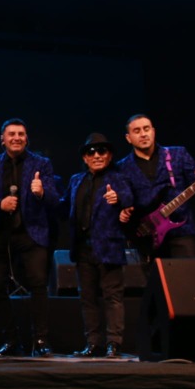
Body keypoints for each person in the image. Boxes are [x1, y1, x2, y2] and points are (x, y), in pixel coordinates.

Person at [0, 118, 59, 358]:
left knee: (38, 284)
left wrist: (41, 192)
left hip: (31, 233)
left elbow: (55, 200)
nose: (16, 138)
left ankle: (40, 340)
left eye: (21, 134)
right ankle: (11, 341)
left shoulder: (41, 164)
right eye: (12, 134)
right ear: (2, 139)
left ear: (27, 138)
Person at [59, 133, 133, 359]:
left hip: (109, 247)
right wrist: (42, 195)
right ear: (85, 157)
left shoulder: (118, 178)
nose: (97, 155)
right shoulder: (76, 180)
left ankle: (114, 343)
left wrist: (118, 199)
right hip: (83, 249)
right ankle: (93, 344)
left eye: (102, 151)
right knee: (87, 298)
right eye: (91, 152)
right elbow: (63, 207)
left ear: (109, 155)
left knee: (112, 297)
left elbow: (130, 198)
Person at [117, 114, 195, 262]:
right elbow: (123, 204)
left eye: (146, 129)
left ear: (153, 131)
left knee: (189, 276)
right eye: (137, 131)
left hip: (181, 234)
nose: (143, 134)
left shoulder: (178, 154)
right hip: (146, 239)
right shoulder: (121, 168)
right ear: (128, 138)